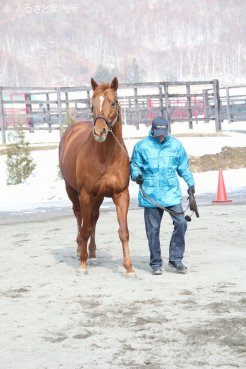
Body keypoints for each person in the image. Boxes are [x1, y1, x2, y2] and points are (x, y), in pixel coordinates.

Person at [130, 116, 195, 275]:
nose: (161, 135)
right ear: (152, 130)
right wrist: (136, 175)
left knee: (181, 223)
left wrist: (190, 184)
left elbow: (183, 167)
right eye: (158, 132)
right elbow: (134, 165)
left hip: (171, 193)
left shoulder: (176, 146)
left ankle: (175, 259)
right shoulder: (141, 147)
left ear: (168, 130)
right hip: (151, 194)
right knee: (153, 230)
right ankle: (156, 263)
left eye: (163, 132)